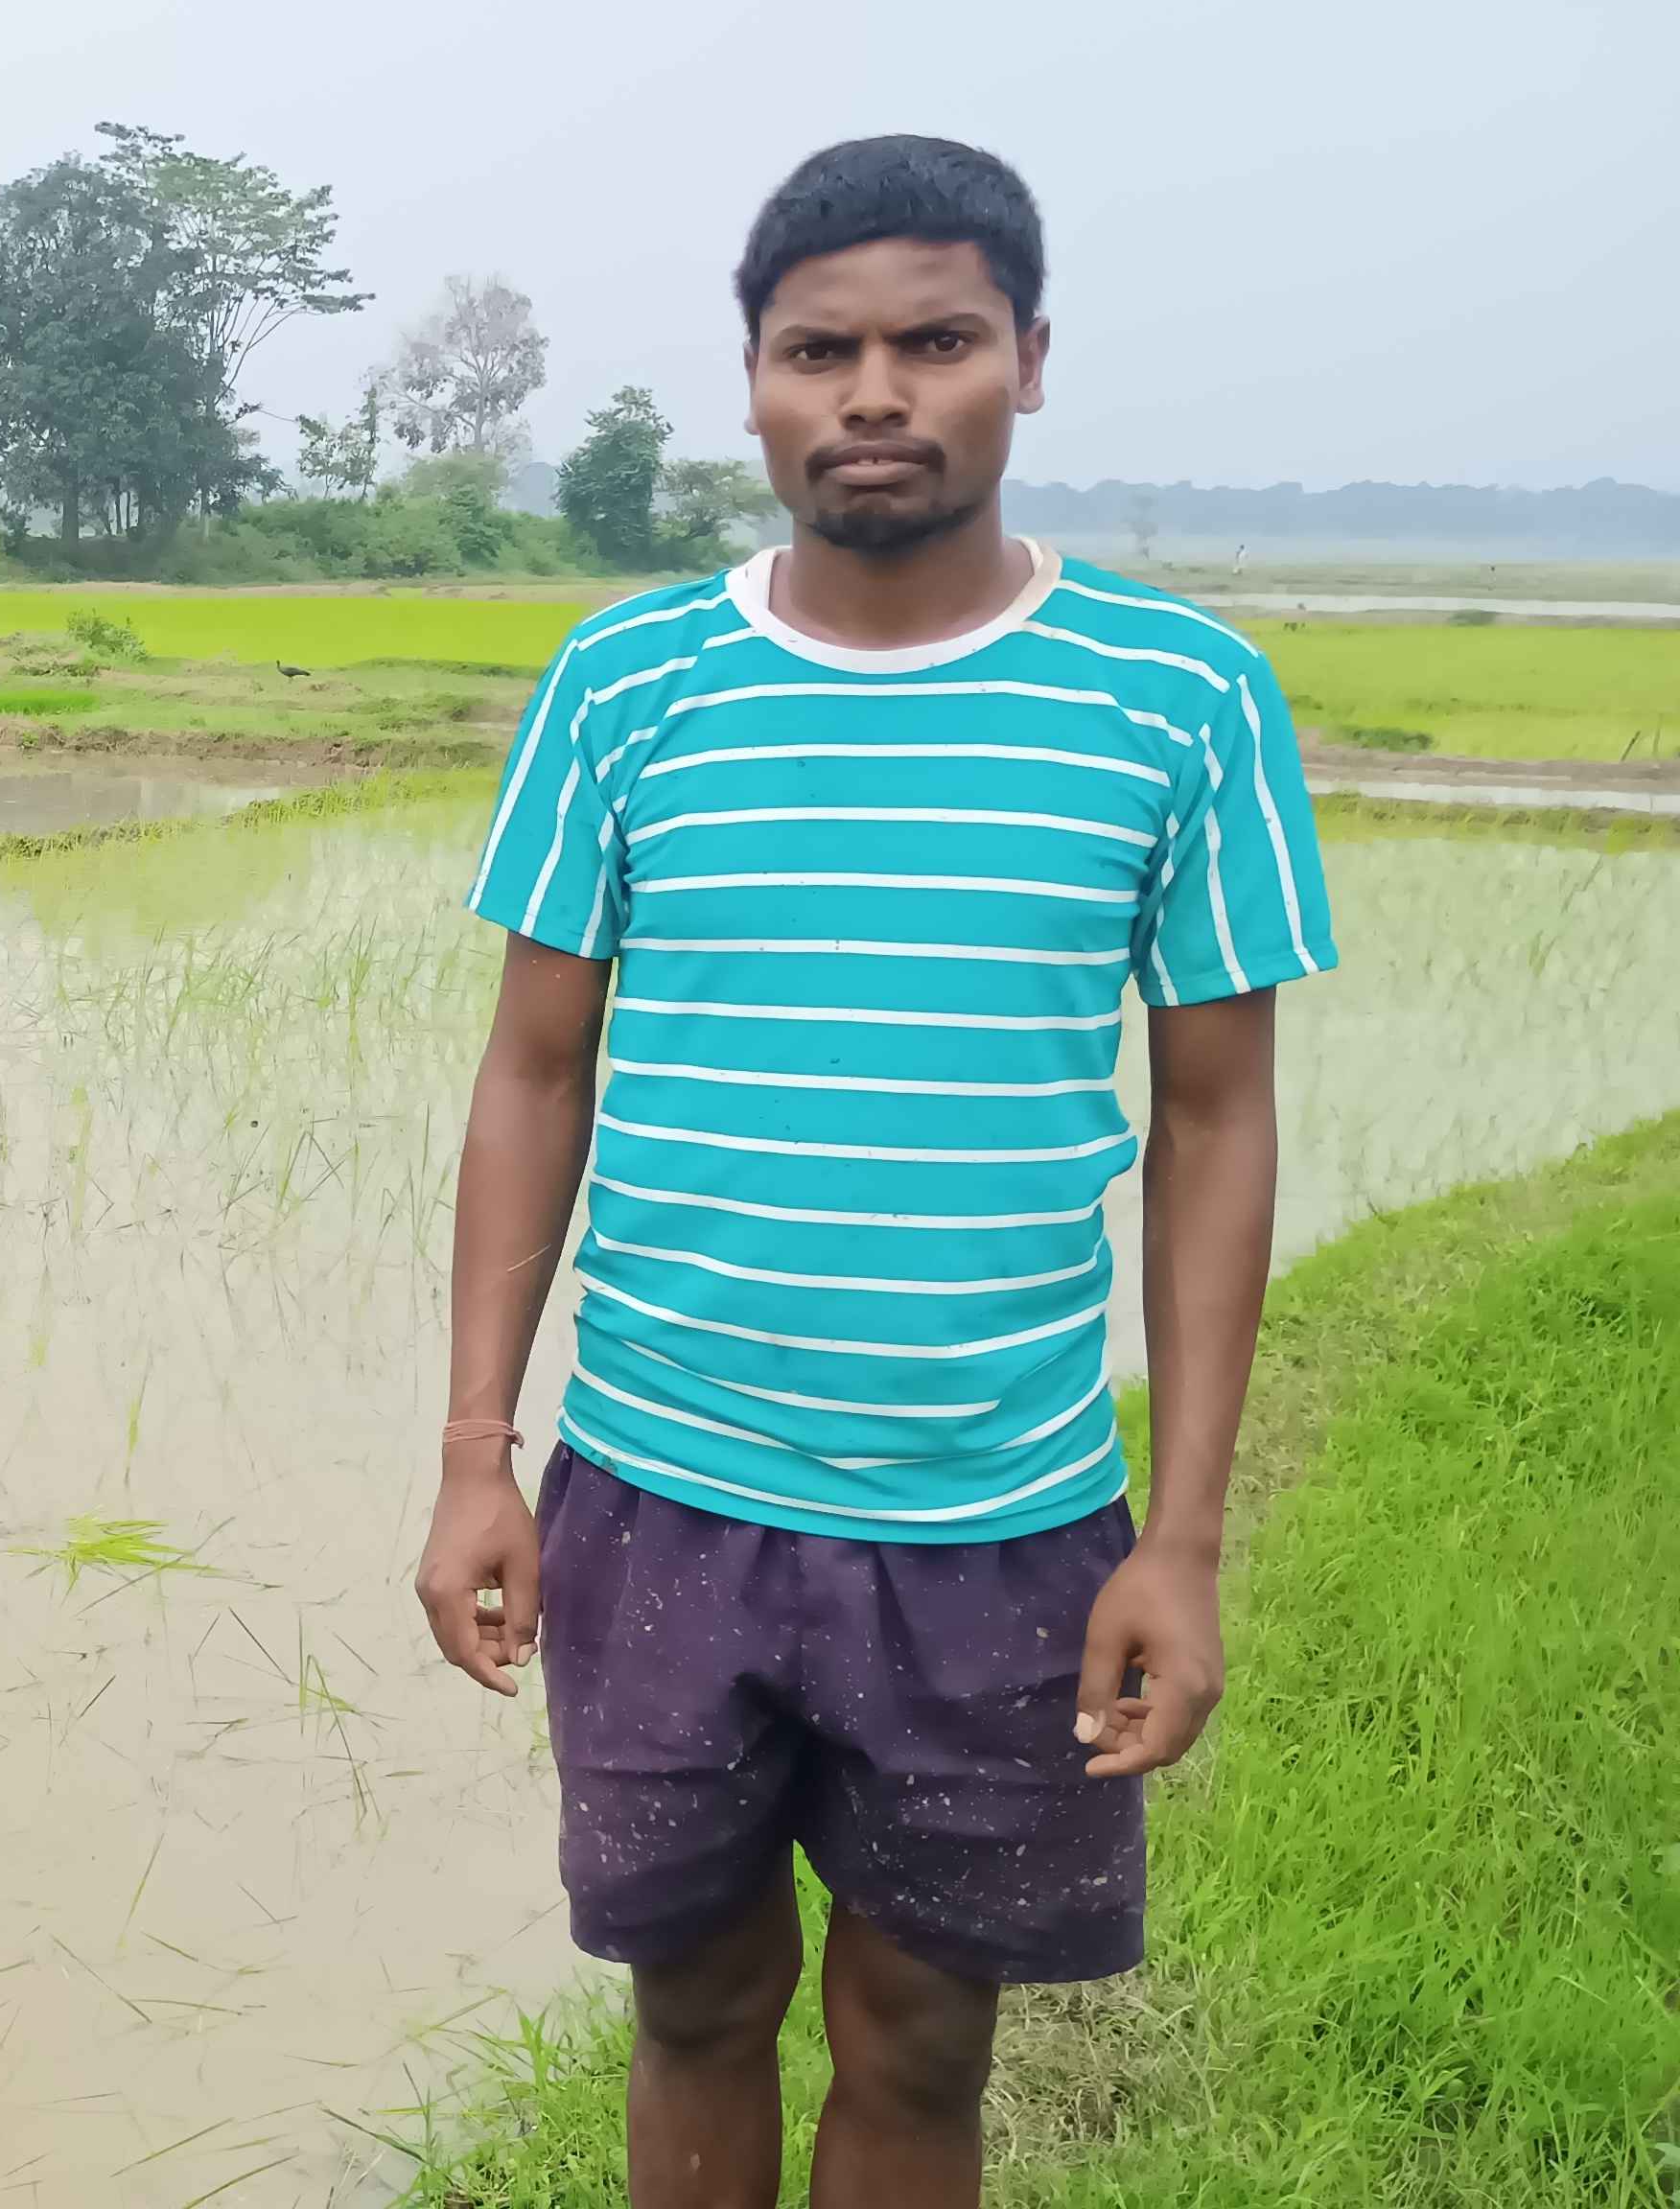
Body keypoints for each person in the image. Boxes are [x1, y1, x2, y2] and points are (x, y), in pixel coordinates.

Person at [414, 135, 1336, 2208]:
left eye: (936, 342)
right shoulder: (626, 684)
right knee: (692, 2001)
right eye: (816, 351)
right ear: (753, 383)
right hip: (659, 1497)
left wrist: (1181, 1542)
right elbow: (532, 1071)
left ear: (1028, 360)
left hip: (998, 1523)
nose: (874, 394)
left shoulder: (1179, 698)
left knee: (922, 2039)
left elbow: (1215, 1121)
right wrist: (478, 1454)